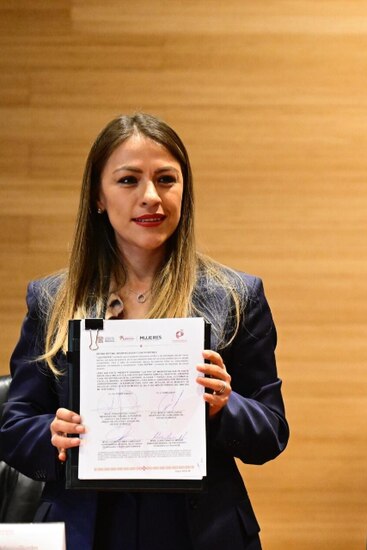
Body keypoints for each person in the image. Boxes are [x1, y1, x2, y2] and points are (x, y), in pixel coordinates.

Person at [0, 113, 290, 549]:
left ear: (184, 191)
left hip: (200, 530)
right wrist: (52, 435)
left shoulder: (235, 296)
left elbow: (270, 432)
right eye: (128, 180)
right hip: (86, 529)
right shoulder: (51, 299)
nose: (151, 197)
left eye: (166, 180)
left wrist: (225, 406)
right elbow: (13, 425)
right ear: (98, 196)